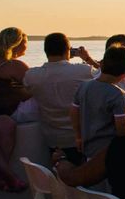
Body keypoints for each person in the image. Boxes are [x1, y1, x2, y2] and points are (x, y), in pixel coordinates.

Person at [23, 33, 96, 166]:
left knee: (61, 176)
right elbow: (109, 76)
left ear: (46, 51)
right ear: (68, 50)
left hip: (53, 139)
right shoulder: (84, 71)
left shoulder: (32, 75)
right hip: (80, 137)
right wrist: (88, 59)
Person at [71, 44, 125, 158]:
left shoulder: (84, 86)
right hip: (107, 153)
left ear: (102, 64)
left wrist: (78, 137)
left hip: (88, 149)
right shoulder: (118, 95)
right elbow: (122, 128)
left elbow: (74, 113)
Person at [0, 28, 30, 192]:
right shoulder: (14, 66)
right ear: (18, 44)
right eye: (26, 43)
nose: (27, 47)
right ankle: (9, 176)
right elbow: (34, 88)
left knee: (6, 125)